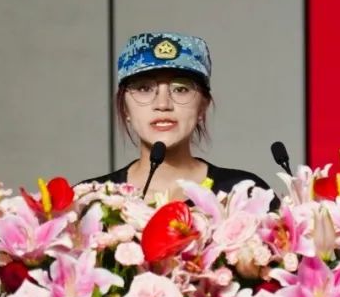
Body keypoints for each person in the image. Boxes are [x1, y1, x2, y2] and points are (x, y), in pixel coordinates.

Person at [81, 31, 273, 201]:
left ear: (202, 106)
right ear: (125, 108)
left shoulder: (244, 194)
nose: (163, 104)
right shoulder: (91, 199)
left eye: (181, 89)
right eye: (144, 88)